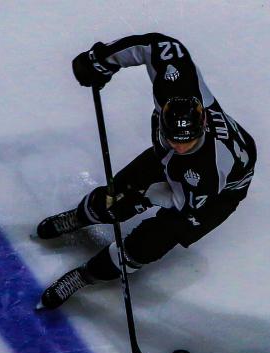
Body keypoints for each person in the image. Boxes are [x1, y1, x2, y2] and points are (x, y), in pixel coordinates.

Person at [36, 33, 257, 310]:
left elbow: (182, 202)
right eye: (173, 138)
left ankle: (84, 276)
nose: (179, 145)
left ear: (201, 127)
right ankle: (81, 216)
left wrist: (142, 199)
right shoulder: (176, 87)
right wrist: (103, 59)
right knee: (114, 196)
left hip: (215, 195)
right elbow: (160, 46)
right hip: (184, 168)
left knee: (147, 244)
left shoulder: (207, 172)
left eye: (186, 140)